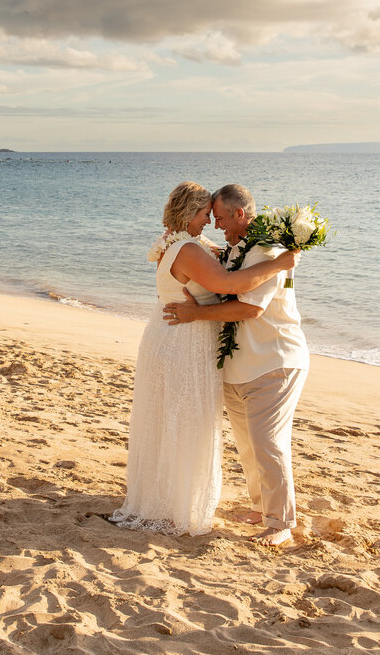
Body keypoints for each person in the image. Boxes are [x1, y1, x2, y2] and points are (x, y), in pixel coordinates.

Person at [111, 181, 297, 536]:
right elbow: (229, 284)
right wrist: (282, 263)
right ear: (189, 214)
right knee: (183, 423)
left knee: (173, 422)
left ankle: (167, 498)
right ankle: (175, 503)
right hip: (182, 340)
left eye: (216, 215)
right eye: (205, 214)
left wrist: (276, 257)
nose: (210, 223)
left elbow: (226, 258)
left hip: (174, 338)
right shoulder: (188, 249)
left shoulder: (184, 244)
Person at [163, 183, 309, 546]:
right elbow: (216, 269)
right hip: (242, 364)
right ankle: (263, 509)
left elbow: (250, 308)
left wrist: (197, 314)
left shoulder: (266, 251)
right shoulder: (235, 249)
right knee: (248, 445)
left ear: (240, 214)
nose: (217, 226)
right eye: (209, 217)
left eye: (222, 218)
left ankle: (281, 524)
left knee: (268, 443)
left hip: (275, 360)